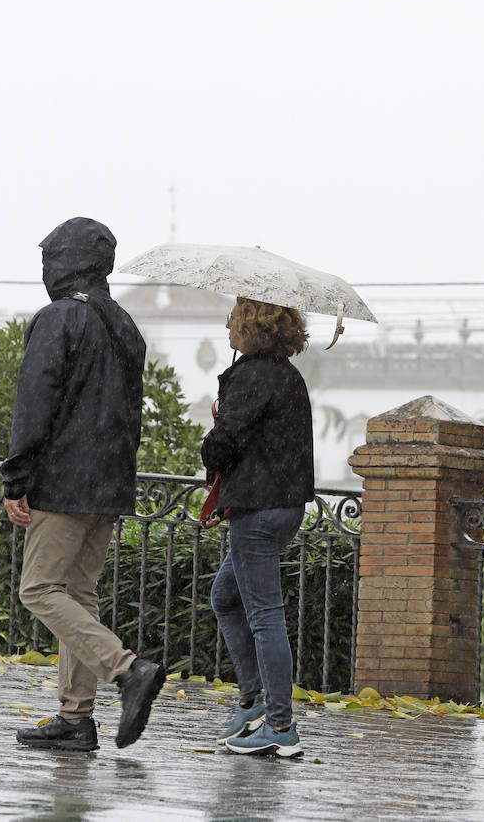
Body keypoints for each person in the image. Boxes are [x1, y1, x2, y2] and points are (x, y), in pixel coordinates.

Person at [3, 217, 166, 752]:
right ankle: (75, 719)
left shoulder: (60, 319)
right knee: (77, 593)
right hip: (108, 483)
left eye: (49, 258)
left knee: (39, 589)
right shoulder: (123, 324)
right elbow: (129, 416)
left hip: (64, 481)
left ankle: (126, 670)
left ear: (63, 261)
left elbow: (35, 405)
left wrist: (17, 478)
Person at [204, 298, 314, 758]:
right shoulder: (288, 375)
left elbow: (222, 448)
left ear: (250, 325)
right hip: (284, 507)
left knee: (265, 615)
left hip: (257, 508)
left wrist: (211, 436)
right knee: (225, 596)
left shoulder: (252, 375)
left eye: (233, 317)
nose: (227, 324)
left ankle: (280, 724)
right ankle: (252, 701)